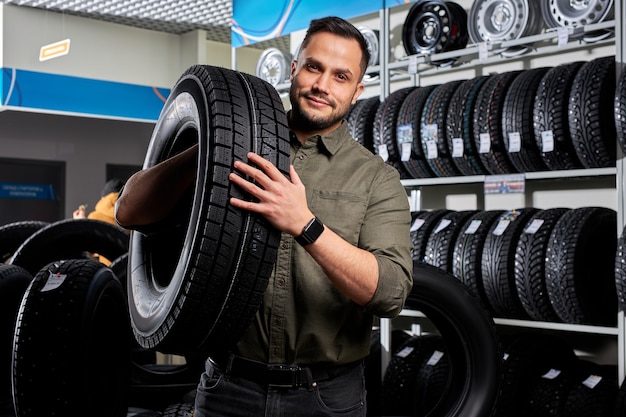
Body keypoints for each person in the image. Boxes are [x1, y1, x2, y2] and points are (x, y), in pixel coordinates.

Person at [115, 16, 413, 417]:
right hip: (227, 387)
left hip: (324, 397)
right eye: (314, 67)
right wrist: (215, 143)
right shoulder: (233, 144)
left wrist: (305, 225)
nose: (323, 85)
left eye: (341, 76)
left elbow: (390, 292)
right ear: (294, 69)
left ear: (358, 90)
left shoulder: (377, 178)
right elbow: (129, 211)